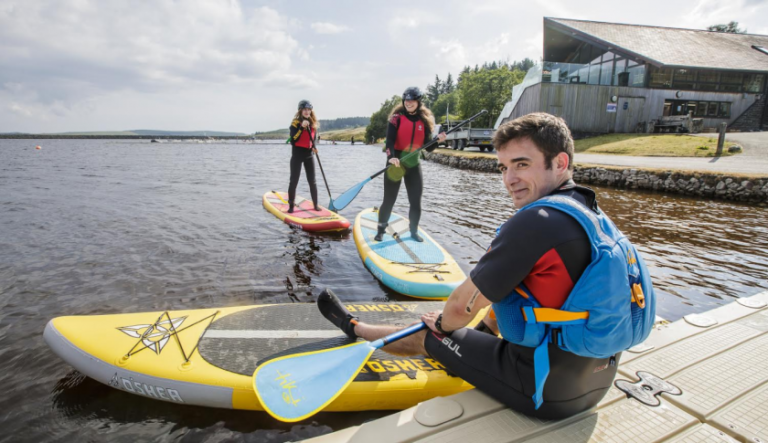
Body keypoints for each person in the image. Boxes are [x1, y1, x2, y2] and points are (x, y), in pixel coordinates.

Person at [318, 112, 656, 420]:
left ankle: (354, 328)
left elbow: (459, 309)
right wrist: (475, 335)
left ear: (560, 162)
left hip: (542, 392)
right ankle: (471, 351)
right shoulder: (589, 211)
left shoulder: (536, 221)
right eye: (504, 167)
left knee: (431, 332)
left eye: (522, 164)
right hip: (594, 384)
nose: (510, 179)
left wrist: (442, 327)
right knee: (510, 296)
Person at [374, 87, 446, 242]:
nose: (409, 103)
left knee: (415, 200)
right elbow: (390, 142)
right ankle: (380, 230)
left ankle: (413, 232)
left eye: (412, 100)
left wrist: (437, 141)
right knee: (389, 199)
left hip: (413, 164)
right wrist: (391, 157)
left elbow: (427, 147)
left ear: (418, 102)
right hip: (395, 163)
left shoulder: (424, 122)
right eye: (406, 100)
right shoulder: (396, 118)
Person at [288, 100, 320, 213]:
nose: (307, 112)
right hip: (297, 154)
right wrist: (301, 128)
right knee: (294, 181)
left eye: (309, 110)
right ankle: (291, 205)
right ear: (300, 110)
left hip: (309, 155)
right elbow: (293, 140)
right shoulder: (295, 123)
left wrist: (314, 147)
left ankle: (315, 205)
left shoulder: (313, 124)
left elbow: (313, 138)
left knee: (312, 181)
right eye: (305, 110)